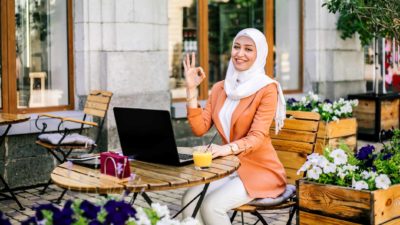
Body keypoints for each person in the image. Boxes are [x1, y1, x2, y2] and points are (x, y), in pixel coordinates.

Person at [181, 28, 287, 224]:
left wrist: (224, 149)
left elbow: (256, 137)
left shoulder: (267, 88)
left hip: (260, 169)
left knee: (211, 206)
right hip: (229, 167)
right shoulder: (221, 88)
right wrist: (191, 89)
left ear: (260, 54)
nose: (240, 54)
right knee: (189, 200)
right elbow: (199, 128)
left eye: (248, 49)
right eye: (237, 47)